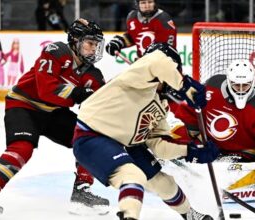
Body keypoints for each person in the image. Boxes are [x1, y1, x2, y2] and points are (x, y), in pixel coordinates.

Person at [0, 18, 109, 219]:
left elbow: (101, 105)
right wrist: (80, 93)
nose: (94, 49)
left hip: (54, 112)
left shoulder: (93, 75)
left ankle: (82, 192)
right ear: (75, 40)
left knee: (89, 139)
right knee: (22, 147)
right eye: (90, 43)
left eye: (96, 44)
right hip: (24, 104)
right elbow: (47, 90)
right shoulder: (56, 51)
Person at [73, 43, 219, 220]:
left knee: (165, 183)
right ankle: (130, 216)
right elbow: (156, 60)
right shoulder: (136, 75)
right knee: (133, 176)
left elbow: (159, 146)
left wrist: (191, 151)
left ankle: (190, 215)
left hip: (125, 143)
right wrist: (185, 85)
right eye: (173, 70)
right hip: (93, 135)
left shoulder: (160, 103)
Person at [175, 59, 255, 166]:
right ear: (229, 81)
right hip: (209, 143)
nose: (241, 90)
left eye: (245, 86)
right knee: (169, 138)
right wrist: (197, 135)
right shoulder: (212, 87)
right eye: (237, 85)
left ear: (252, 82)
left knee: (223, 171)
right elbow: (189, 108)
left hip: (243, 151)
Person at [105, 0, 177, 59]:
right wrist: (119, 42)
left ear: (155, 3)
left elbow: (167, 50)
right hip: (142, 65)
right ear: (137, 4)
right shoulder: (132, 17)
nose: (147, 6)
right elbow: (133, 37)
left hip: (163, 65)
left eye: (150, 2)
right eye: (143, 2)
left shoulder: (163, 19)